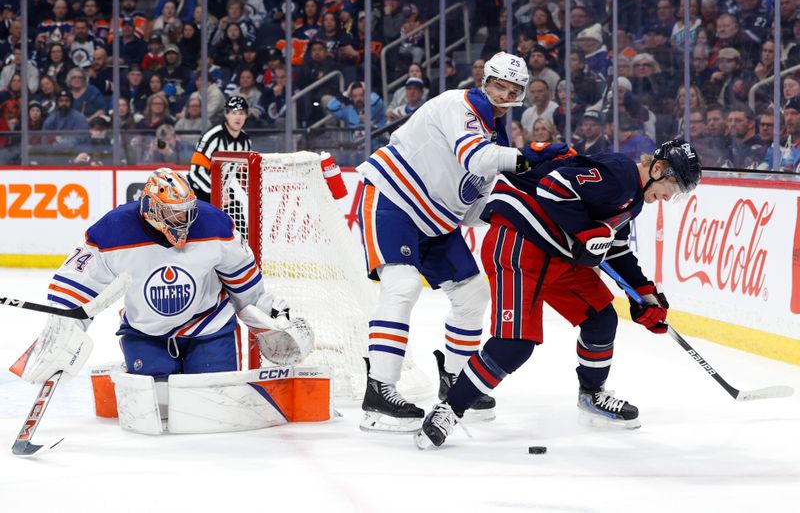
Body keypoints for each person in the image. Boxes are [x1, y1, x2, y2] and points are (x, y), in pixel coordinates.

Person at [416, 139, 702, 449]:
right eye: (673, 185)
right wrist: (585, 232)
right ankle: (449, 409)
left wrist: (643, 293)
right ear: (658, 168)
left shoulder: (632, 200)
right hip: (518, 245)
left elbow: (614, 249)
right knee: (514, 346)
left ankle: (592, 395)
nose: (669, 195)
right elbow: (554, 188)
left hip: (556, 255)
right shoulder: (621, 174)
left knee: (601, 318)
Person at [17, 168, 301, 427]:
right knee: (155, 414)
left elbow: (246, 285)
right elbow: (74, 288)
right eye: (176, 214)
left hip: (209, 330)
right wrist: (61, 330)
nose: (186, 221)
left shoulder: (214, 224)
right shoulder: (112, 231)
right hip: (147, 334)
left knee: (215, 413)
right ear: (152, 207)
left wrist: (267, 315)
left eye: (188, 212)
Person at [355, 52, 531, 433]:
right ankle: (379, 388)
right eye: (498, 85)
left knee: (472, 294)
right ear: (486, 81)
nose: (503, 94)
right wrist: (525, 159)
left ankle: (455, 378)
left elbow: (472, 209)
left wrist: (523, 212)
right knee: (401, 285)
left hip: (437, 222)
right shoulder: (460, 104)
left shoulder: (495, 135)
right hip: (393, 200)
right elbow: (476, 158)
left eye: (512, 89)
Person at [187, 96, 252, 203]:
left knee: (238, 217)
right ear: (226, 114)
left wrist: (254, 192)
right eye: (234, 113)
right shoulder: (212, 137)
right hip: (199, 193)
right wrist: (217, 192)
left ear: (246, 115)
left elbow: (242, 173)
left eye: (241, 113)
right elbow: (197, 171)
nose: (238, 117)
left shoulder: (246, 141)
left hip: (223, 193)